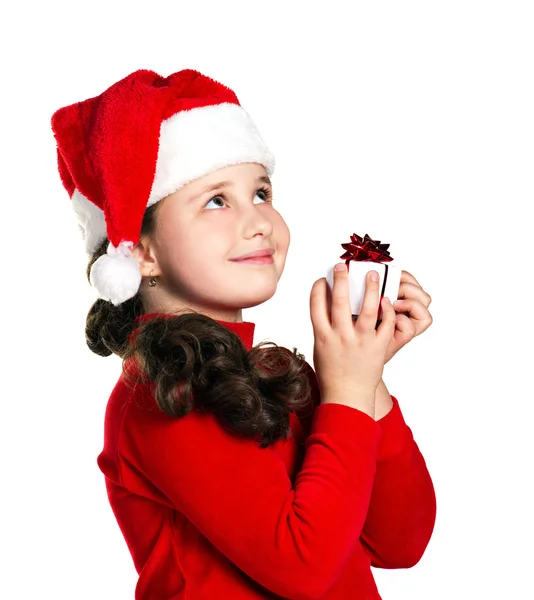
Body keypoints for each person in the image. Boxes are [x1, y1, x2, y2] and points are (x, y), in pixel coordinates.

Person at [51, 68, 437, 600]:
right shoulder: (163, 394)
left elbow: (400, 542)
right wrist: (345, 392)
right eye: (216, 200)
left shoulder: (282, 374)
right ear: (140, 252)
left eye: (261, 192)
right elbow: (302, 566)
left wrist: (365, 383)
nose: (259, 220)